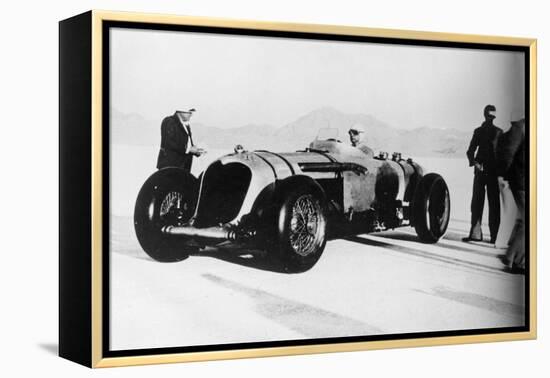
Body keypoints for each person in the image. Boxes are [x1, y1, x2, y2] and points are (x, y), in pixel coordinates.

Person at [463, 105, 502, 244]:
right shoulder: (496, 132)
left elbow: (470, 152)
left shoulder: (486, 132)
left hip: (487, 172)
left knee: (488, 204)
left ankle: (484, 235)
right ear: (487, 115)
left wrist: (475, 163)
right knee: (484, 204)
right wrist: (475, 163)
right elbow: (470, 152)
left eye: (491, 116)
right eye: (490, 115)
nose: (490, 118)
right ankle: (492, 236)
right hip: (487, 172)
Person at [496, 113, 526, 273]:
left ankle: (512, 256)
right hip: (520, 181)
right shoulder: (520, 128)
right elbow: (508, 154)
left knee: (524, 220)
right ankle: (515, 260)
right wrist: (504, 176)